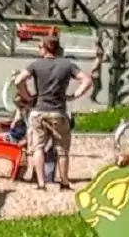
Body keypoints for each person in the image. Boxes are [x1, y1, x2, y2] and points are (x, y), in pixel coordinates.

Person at [19, 36, 94, 190]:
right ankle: (64, 182)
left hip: (39, 111)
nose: (38, 50)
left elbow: (18, 81)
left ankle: (41, 183)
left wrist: (27, 95)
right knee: (62, 150)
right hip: (58, 111)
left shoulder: (35, 65)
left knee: (38, 147)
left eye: (40, 47)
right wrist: (74, 96)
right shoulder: (67, 65)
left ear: (45, 48)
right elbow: (87, 80)